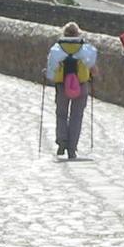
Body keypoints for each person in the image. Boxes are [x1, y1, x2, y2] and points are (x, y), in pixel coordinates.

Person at [45, 21, 98, 159]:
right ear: (78, 33)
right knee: (77, 116)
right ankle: (72, 148)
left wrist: (48, 75)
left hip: (62, 86)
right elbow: (93, 68)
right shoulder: (85, 49)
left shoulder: (57, 49)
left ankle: (62, 140)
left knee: (61, 114)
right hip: (81, 85)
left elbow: (51, 72)